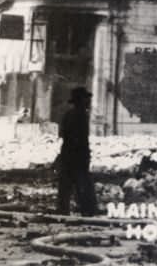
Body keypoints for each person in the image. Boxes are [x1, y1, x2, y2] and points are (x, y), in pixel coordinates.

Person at [56, 87, 98, 216]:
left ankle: (63, 212)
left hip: (68, 154)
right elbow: (79, 139)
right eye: (86, 98)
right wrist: (84, 156)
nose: (89, 101)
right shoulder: (81, 115)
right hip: (77, 155)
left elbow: (62, 134)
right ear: (81, 100)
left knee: (66, 187)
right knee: (83, 185)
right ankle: (87, 212)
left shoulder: (69, 114)